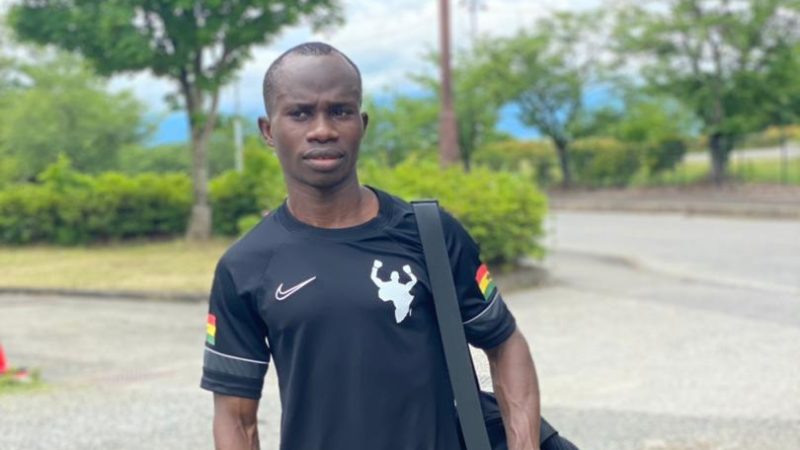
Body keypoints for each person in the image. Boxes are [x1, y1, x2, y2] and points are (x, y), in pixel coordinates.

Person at [201, 42, 559, 450]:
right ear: (268, 130)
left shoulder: (430, 234)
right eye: (300, 113)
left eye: (340, 111)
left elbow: (504, 342)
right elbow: (236, 419)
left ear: (363, 123)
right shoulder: (244, 267)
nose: (323, 130)